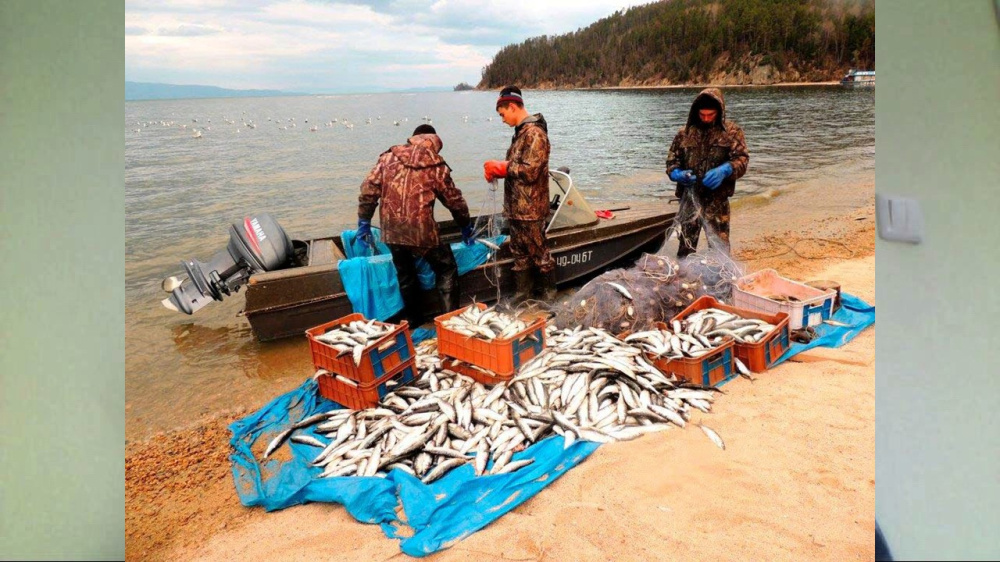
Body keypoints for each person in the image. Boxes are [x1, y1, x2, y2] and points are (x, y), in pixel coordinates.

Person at [356, 124, 474, 327]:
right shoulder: (435, 164)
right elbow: (454, 201)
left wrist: (364, 221)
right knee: (446, 268)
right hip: (421, 233)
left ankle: (413, 320)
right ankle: (449, 324)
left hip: (391, 231)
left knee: (405, 273)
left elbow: (368, 191)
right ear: (432, 141)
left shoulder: (387, 158)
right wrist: (465, 225)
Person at [482, 86, 556, 303]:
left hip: (531, 209)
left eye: (502, 114)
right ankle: (523, 295)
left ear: (512, 106)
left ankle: (549, 298)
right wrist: (500, 171)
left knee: (540, 255)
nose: (502, 119)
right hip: (516, 209)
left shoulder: (535, 134)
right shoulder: (520, 134)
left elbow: (531, 171)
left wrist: (503, 168)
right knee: (520, 255)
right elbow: (517, 167)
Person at [665, 88, 749, 259]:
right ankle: (685, 282)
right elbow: (672, 162)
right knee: (686, 247)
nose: (706, 118)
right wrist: (676, 173)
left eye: (710, 114)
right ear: (696, 112)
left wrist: (726, 170)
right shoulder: (684, 134)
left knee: (719, 249)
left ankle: (721, 281)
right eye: (702, 115)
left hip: (717, 200)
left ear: (719, 112)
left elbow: (742, 159)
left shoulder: (732, 132)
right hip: (689, 200)